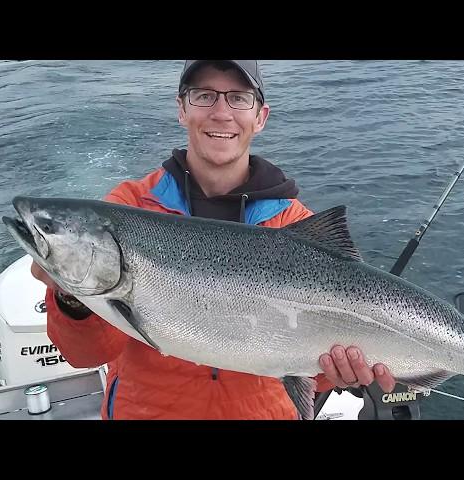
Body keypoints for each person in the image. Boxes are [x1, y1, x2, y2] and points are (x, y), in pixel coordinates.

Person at [31, 60, 396, 420]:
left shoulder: (297, 224)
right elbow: (86, 354)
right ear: (182, 108)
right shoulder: (127, 210)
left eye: (238, 97)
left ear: (261, 116)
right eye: (204, 96)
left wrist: (336, 370)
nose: (221, 113)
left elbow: (310, 373)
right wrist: (71, 297)